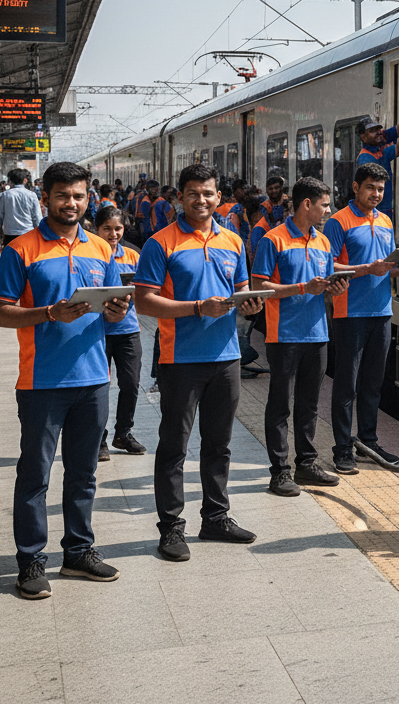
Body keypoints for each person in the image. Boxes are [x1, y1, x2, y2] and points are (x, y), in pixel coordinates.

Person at [0, 161, 131, 598]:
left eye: (79, 196)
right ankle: (31, 561)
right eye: (62, 196)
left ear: (89, 198)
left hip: (93, 378)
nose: (71, 203)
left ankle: (78, 552)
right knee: (35, 474)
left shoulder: (102, 249)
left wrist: (117, 312)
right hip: (41, 382)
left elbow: (112, 312)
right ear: (44, 198)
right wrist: (50, 313)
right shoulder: (22, 249)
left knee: (84, 472)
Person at [134, 162, 263, 562]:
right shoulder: (161, 243)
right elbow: (144, 300)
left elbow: (240, 289)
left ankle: (216, 517)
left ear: (218, 198)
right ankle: (171, 528)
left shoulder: (233, 241)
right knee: (174, 445)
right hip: (180, 359)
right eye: (193, 193)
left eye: (208, 193)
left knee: (219, 443)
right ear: (180, 197)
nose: (201, 200)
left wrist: (252, 305)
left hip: (226, 357)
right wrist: (195, 308)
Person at [251, 176, 348, 493]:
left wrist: (335, 288)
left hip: (317, 334)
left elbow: (325, 280)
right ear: (307, 204)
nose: (328, 210)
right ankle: (280, 470)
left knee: (309, 404)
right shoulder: (273, 240)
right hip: (284, 335)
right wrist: (302, 288)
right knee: (280, 404)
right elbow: (258, 287)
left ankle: (306, 464)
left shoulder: (322, 242)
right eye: (324, 204)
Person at [323, 162, 399, 474]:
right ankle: (342, 449)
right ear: (356, 188)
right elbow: (329, 267)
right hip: (350, 313)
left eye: (380, 189)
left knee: (373, 383)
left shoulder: (387, 221)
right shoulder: (338, 222)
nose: (376, 194)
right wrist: (367, 269)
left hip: (382, 311)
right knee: (346, 385)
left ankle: (367, 442)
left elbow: (386, 266)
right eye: (370, 188)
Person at [95, 206, 146, 456]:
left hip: (128, 330)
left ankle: (123, 433)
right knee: (100, 387)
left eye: (118, 229)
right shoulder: (91, 255)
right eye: (107, 229)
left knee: (131, 383)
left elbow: (147, 290)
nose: (113, 234)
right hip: (98, 332)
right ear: (97, 229)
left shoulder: (133, 256)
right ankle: (99, 438)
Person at [0, 168, 43, 246]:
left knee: (12, 257)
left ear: (10, 181)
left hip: (10, 235)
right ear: (24, 180)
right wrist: (40, 234)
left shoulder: (4, 195)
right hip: (28, 233)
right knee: (27, 257)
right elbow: (37, 217)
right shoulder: (32, 195)